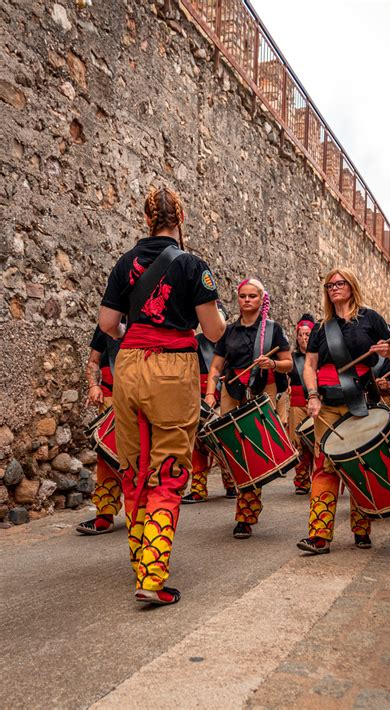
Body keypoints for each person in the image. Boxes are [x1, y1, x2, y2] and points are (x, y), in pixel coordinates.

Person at [99, 185, 225, 605]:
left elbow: (106, 324)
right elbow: (213, 332)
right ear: (181, 219)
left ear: (146, 218)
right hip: (173, 366)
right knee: (169, 466)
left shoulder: (125, 262)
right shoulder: (192, 264)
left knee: (134, 467)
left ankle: (141, 558)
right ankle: (152, 578)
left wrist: (134, 332)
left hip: (129, 364)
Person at [297, 268, 390, 555]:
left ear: (351, 286)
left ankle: (361, 528)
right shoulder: (321, 327)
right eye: (330, 285)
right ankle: (319, 535)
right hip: (327, 402)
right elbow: (310, 366)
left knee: (359, 463)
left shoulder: (371, 319)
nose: (334, 288)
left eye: (339, 283)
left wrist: (387, 352)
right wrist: (314, 395)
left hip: (361, 400)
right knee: (324, 464)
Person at [204, 278, 293, 539]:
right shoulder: (229, 331)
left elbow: (288, 363)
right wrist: (211, 393)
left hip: (262, 391)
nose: (246, 300)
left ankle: (245, 514)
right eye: (243, 296)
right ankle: (246, 503)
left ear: (261, 299)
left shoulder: (273, 330)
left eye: (252, 296)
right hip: (232, 393)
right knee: (234, 451)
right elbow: (216, 367)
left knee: (252, 452)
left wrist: (273, 365)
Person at [181, 324, 237, 503]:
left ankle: (231, 483)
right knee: (198, 443)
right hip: (201, 399)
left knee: (226, 441)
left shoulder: (233, 342)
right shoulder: (196, 344)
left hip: (227, 397)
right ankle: (198, 488)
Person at [76, 327, 122, 534]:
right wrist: (94, 386)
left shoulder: (149, 317)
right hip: (111, 396)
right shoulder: (107, 323)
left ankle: (144, 511)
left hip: (144, 396)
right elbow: (94, 360)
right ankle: (104, 515)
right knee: (107, 455)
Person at [288, 314, 315, 495]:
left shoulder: (319, 355)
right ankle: (302, 480)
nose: (304, 338)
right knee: (299, 443)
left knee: (315, 442)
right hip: (297, 403)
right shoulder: (292, 357)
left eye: (307, 335)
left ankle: (320, 478)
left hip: (315, 401)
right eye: (301, 335)